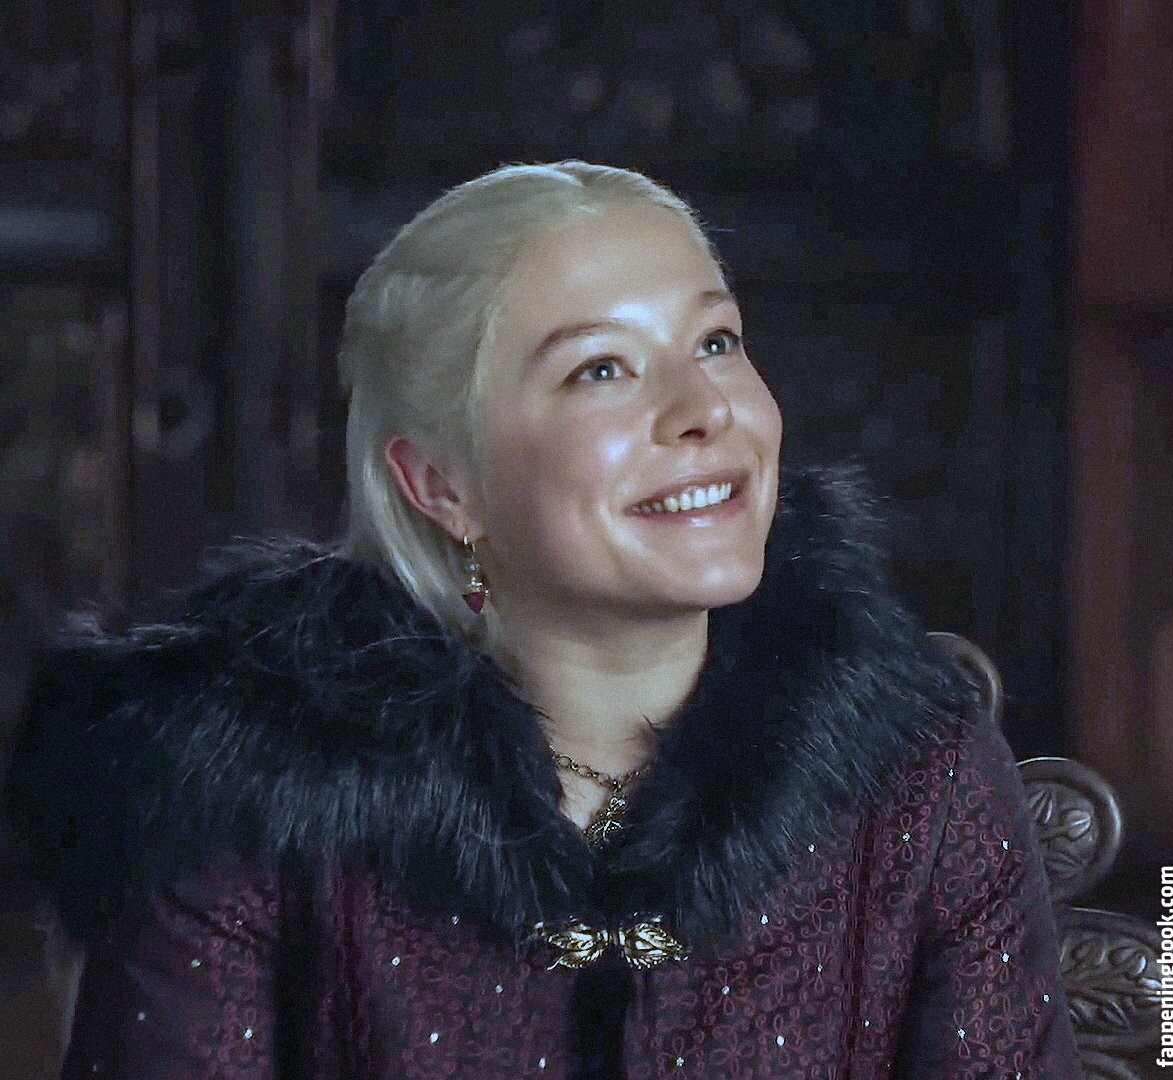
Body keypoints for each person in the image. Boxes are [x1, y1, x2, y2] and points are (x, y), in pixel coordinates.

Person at [2, 160, 1081, 1078]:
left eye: (716, 342)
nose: (705, 410)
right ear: (442, 485)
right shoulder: (251, 792)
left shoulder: (918, 772)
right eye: (601, 368)